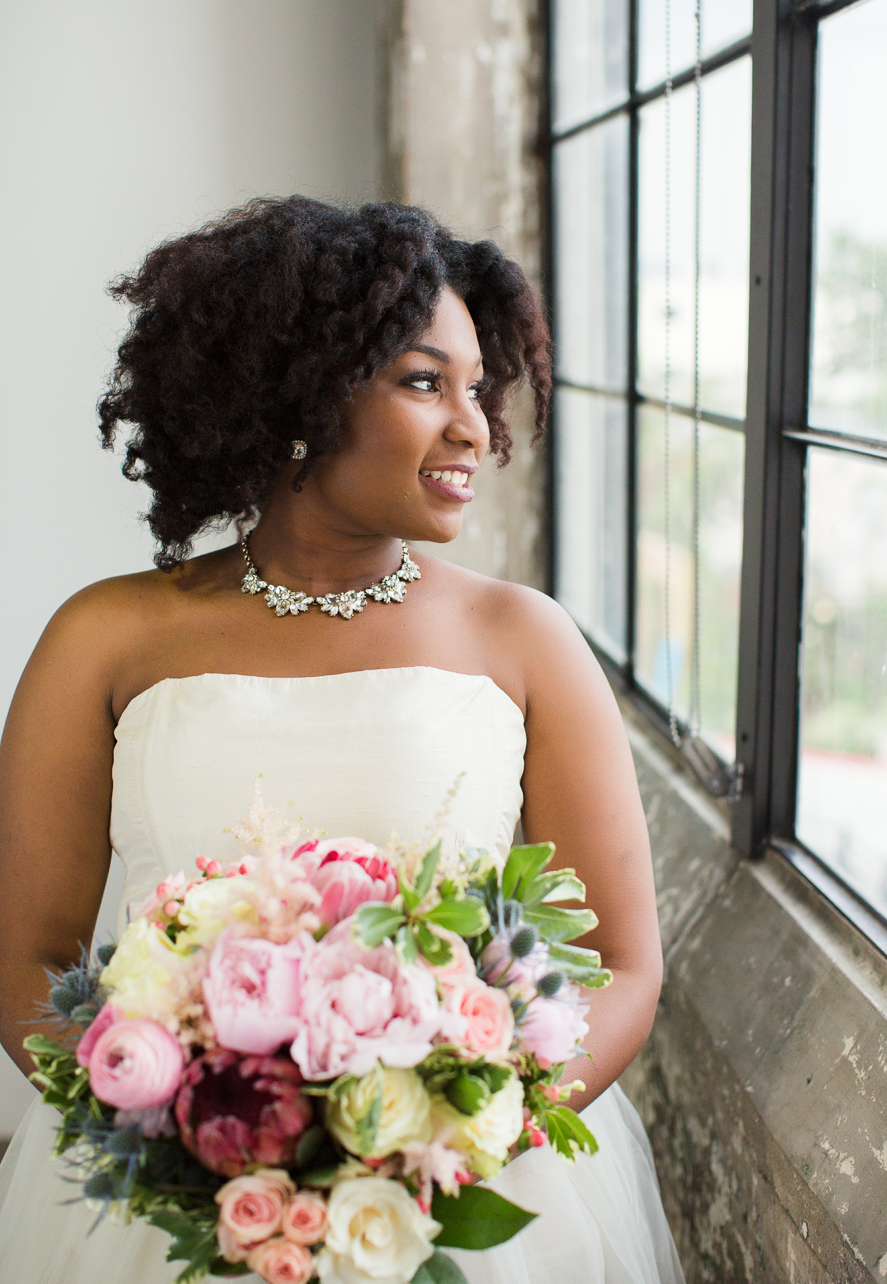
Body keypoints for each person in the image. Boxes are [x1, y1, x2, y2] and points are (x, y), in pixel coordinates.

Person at [0, 196, 684, 1284]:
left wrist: (447, 1145)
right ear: (301, 395)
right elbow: (28, 960)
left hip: (480, 1200)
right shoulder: (103, 637)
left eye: (477, 386)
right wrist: (193, 1153)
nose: (473, 425)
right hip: (158, 1208)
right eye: (425, 382)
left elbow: (621, 968)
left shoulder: (527, 641)